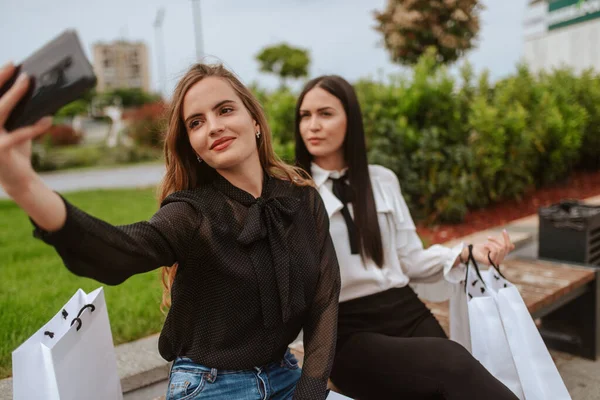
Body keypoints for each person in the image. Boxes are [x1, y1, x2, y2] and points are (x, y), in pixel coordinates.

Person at [0, 62, 341, 400]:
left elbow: (324, 302)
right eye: (196, 122)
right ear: (193, 146)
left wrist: (310, 393)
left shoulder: (302, 200)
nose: (213, 126)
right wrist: (24, 185)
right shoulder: (191, 213)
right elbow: (118, 253)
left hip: (285, 375)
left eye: (225, 110)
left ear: (254, 120)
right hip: (212, 387)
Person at [294, 75, 519, 400]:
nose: (313, 125)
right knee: (452, 365)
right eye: (305, 115)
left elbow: (410, 258)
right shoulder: (294, 192)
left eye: (325, 114)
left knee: (454, 382)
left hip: (404, 310)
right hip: (345, 329)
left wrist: (468, 252)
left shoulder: (382, 180)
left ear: (351, 120)